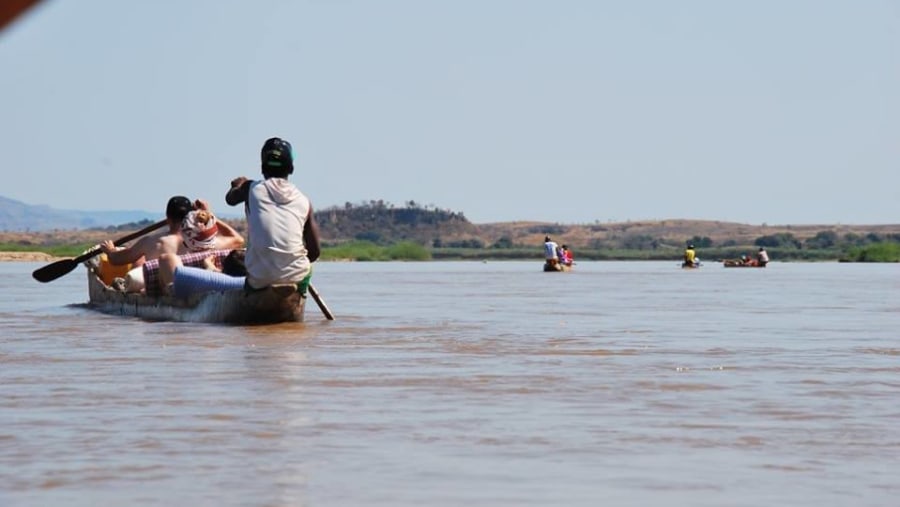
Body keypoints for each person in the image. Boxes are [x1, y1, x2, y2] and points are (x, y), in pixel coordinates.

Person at [225, 136, 321, 292]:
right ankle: (299, 292)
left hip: (259, 279)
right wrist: (290, 266)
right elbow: (315, 252)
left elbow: (230, 199)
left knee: (233, 264)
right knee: (306, 269)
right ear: (291, 169)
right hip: (296, 276)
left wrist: (237, 186)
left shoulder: (250, 188)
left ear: (262, 168)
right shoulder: (304, 201)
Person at [156, 199, 245, 291]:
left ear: (168, 218)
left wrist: (210, 267)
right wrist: (209, 215)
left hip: (186, 291)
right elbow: (238, 239)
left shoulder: (159, 248)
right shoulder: (215, 245)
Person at [100, 195, 194, 268]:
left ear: (167, 217)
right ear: (190, 217)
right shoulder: (200, 241)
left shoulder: (151, 242)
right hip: (192, 289)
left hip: (161, 289)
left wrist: (110, 251)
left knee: (140, 260)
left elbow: (117, 259)